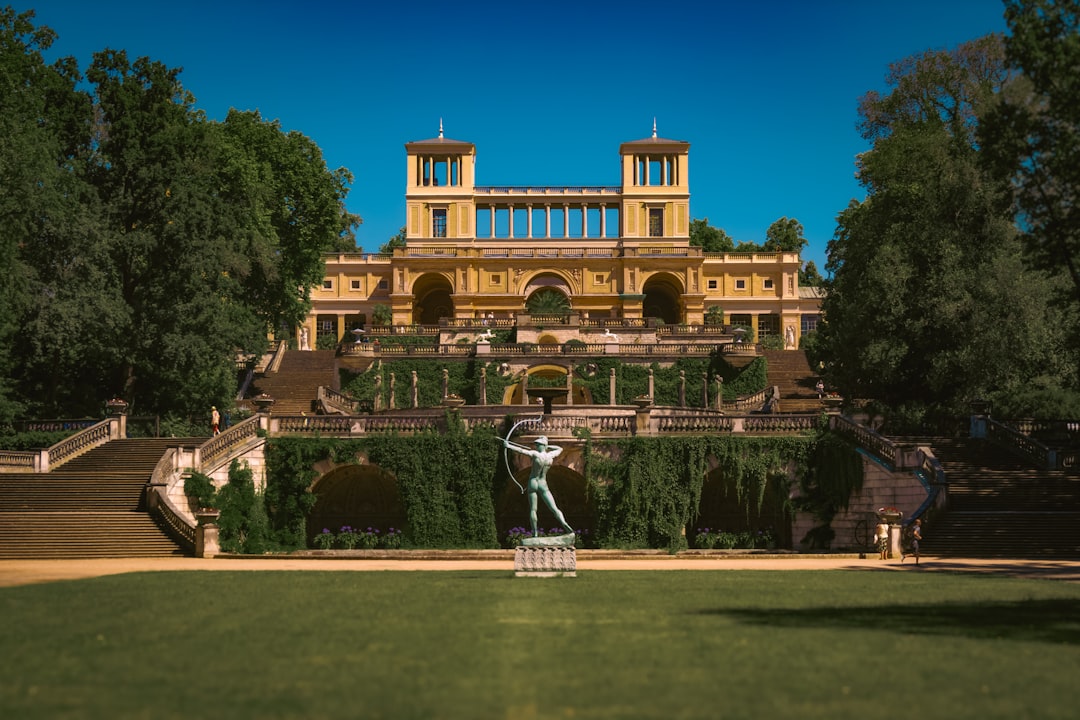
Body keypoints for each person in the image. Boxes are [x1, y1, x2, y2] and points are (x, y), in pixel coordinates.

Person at [500, 434, 573, 537]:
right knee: (554, 508)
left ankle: (534, 532)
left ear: (542, 445)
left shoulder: (535, 454)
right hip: (543, 484)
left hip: (533, 482)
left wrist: (508, 446)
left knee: (533, 509)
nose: (536, 446)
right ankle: (564, 523)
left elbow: (521, 451)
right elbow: (559, 448)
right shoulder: (550, 455)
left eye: (538, 444)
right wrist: (548, 446)